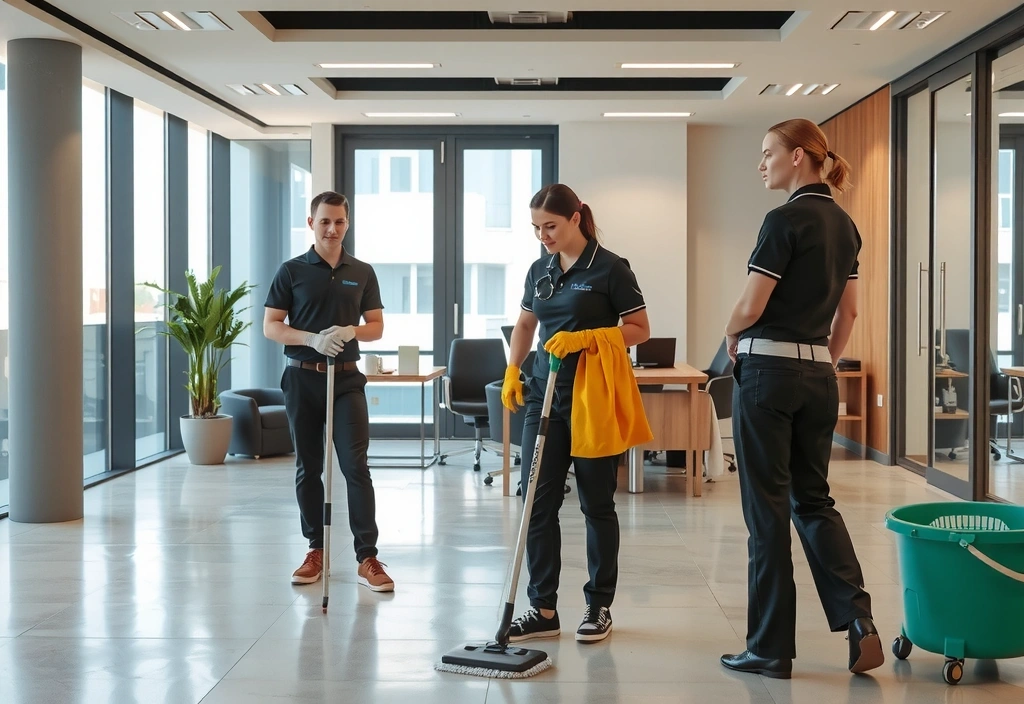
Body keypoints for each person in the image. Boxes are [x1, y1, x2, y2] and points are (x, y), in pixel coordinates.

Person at [720, 119, 882, 679]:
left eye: (768, 153)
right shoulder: (846, 225)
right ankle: (859, 619)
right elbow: (850, 313)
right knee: (814, 501)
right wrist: (824, 363)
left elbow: (751, 301)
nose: (762, 164)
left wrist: (730, 332)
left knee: (766, 512)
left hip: (767, 374)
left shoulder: (783, 219)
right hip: (818, 378)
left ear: (797, 157)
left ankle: (769, 649)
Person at [500, 183, 650, 643]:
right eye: (536, 228)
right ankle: (543, 608)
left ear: (576, 218)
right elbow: (526, 323)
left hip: (593, 399)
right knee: (536, 503)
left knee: (596, 503)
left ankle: (598, 605)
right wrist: (512, 369)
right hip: (544, 398)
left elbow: (640, 329)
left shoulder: (610, 269)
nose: (543, 236)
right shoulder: (539, 269)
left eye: (550, 226)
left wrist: (586, 338)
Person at [264, 190, 394, 592]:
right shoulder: (291, 271)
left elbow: (376, 326)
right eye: (325, 221)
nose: (332, 228)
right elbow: (272, 325)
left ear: (347, 224)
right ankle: (315, 550)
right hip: (302, 377)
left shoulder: (362, 271)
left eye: (339, 222)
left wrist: (352, 330)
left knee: (356, 465)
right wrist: (310, 339)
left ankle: (367, 557)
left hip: (347, 381)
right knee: (309, 465)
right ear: (311, 223)